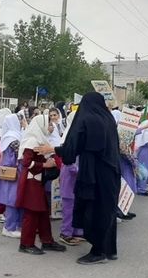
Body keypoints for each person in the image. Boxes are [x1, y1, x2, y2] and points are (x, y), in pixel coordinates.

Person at [36, 92, 121, 265]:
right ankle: (109, 249)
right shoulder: (108, 118)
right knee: (107, 209)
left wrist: (53, 149)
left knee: (93, 210)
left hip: (94, 174)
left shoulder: (87, 119)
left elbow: (73, 146)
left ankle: (98, 252)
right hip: (111, 172)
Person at [16, 115, 67, 255]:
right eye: (48, 123)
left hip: (37, 181)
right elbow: (26, 163)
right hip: (31, 181)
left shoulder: (38, 139)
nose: (51, 126)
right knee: (32, 212)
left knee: (43, 211)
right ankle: (26, 244)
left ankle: (47, 241)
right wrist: (45, 164)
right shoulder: (32, 140)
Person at [0, 114, 23, 238]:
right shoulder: (14, 139)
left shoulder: (6, 137)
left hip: (6, 171)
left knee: (11, 198)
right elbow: (21, 155)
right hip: (14, 173)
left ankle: (14, 225)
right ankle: (9, 227)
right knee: (12, 199)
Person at [57, 110, 85, 246]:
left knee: (77, 207)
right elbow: (69, 163)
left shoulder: (77, 136)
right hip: (70, 181)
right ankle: (66, 233)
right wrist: (83, 172)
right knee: (69, 210)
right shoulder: (68, 138)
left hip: (76, 182)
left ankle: (77, 231)